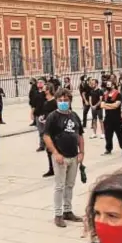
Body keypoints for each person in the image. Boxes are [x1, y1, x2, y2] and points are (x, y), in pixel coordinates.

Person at [43, 88, 84, 228]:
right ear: (56, 101)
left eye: (65, 100)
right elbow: (46, 136)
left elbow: (80, 135)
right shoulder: (53, 117)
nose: (63, 102)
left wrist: (81, 152)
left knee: (70, 185)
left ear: (70, 100)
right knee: (59, 186)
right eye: (60, 100)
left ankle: (68, 210)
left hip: (73, 156)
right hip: (60, 156)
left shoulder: (74, 116)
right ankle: (58, 214)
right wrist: (55, 153)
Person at [100, 81, 122, 155]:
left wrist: (107, 105)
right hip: (108, 118)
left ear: (113, 85)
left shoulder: (118, 94)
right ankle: (108, 149)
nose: (107, 86)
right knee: (108, 135)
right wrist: (111, 106)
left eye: (109, 85)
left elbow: (116, 105)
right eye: (107, 85)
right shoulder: (105, 94)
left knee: (120, 134)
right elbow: (102, 105)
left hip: (117, 118)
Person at [40, 83, 58, 178]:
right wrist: (42, 118)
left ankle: (58, 167)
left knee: (55, 148)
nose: (42, 91)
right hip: (47, 128)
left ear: (48, 90)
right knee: (48, 149)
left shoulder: (55, 102)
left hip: (54, 129)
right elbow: (45, 113)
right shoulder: (46, 102)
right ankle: (51, 168)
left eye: (44, 89)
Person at [29, 78, 46, 151]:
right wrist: (32, 113)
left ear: (44, 83)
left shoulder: (47, 92)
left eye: (41, 82)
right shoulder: (35, 92)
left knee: (47, 130)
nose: (39, 84)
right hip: (38, 114)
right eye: (38, 82)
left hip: (46, 114)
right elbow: (33, 104)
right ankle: (42, 145)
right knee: (40, 131)